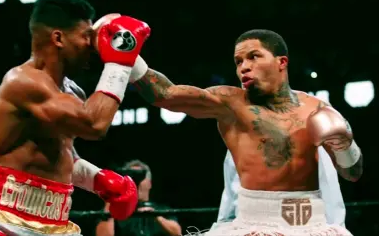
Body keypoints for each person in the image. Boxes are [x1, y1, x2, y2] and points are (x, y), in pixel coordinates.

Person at [127, 27, 363, 235]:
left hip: (313, 225)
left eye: (253, 57)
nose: (244, 67)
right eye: (239, 61)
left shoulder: (317, 109)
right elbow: (165, 94)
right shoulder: (230, 103)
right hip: (255, 226)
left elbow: (353, 173)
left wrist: (345, 146)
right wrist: (128, 55)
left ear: (282, 62)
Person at [0, 0, 151, 236]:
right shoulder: (22, 82)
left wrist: (99, 180)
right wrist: (120, 61)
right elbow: (95, 125)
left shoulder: (72, 91)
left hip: (57, 223)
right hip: (2, 221)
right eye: (85, 36)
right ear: (58, 38)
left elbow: (62, 154)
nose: (91, 46)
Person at [212, 147, 347, 230]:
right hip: (249, 225)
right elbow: (232, 193)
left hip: (303, 225)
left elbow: (329, 189)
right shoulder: (241, 125)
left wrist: (337, 226)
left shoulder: (309, 120)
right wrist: (224, 223)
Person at [96, 160, 182, 236]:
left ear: (149, 183)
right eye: (133, 177)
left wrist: (157, 216)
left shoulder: (162, 210)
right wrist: (110, 204)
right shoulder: (116, 210)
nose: (136, 181)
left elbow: (177, 233)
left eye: (141, 176)